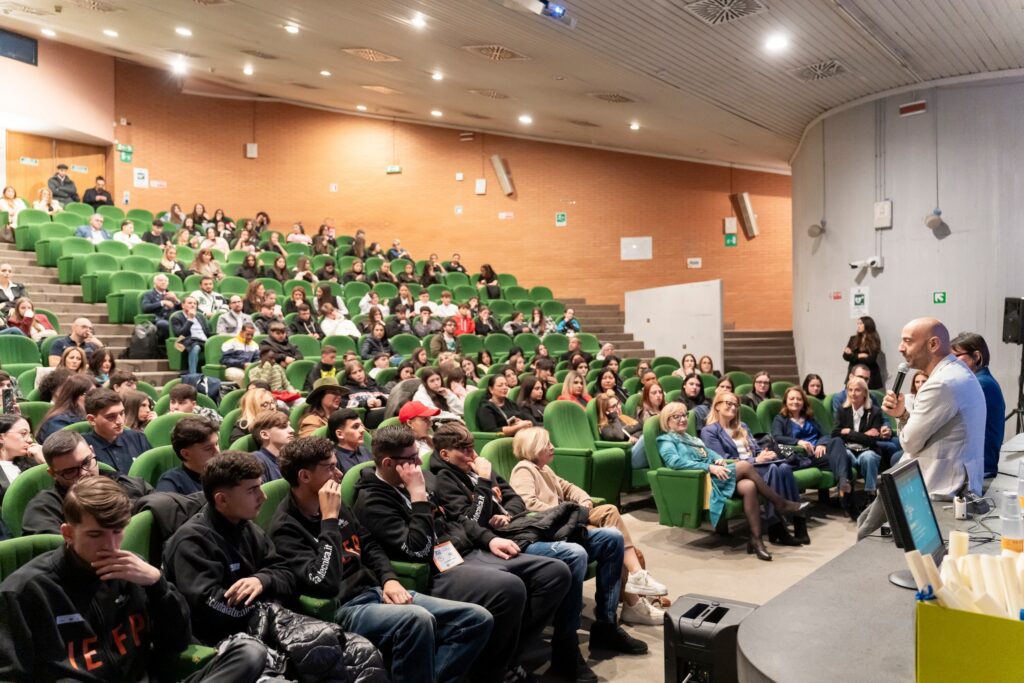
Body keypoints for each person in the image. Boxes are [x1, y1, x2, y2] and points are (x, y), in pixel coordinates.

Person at [352, 424, 571, 683]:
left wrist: (489, 539)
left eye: (417, 456)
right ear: (389, 463)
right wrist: (418, 496)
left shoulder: (422, 477)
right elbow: (418, 551)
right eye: (411, 459)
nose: (418, 463)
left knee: (554, 572)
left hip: (464, 550)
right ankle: (492, 672)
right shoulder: (372, 500)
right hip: (436, 570)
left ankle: (507, 659)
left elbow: (456, 518)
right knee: (510, 587)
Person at [0, 476, 273, 682]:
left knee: (249, 653)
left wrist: (157, 584)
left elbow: (178, 642)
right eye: (95, 535)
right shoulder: (25, 590)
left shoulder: (135, 572)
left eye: (117, 531)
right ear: (68, 534)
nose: (110, 546)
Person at [430, 423, 646, 681]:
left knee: (611, 538)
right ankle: (565, 647)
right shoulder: (445, 478)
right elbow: (472, 520)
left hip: (521, 526)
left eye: (472, 447)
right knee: (574, 554)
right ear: (445, 455)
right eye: (464, 450)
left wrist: (507, 515)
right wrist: (485, 483)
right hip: (500, 540)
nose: (472, 455)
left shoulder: (479, 468)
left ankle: (606, 626)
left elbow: (516, 500)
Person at [269, 436, 493, 683]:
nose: (339, 474)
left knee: (475, 619)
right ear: (304, 476)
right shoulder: (286, 527)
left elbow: (369, 544)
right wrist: (329, 521)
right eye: (330, 468)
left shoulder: (336, 504)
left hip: (375, 591)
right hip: (344, 606)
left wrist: (389, 579)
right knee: (417, 620)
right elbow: (324, 583)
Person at [162, 452, 385, 678]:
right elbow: (212, 610)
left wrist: (262, 580)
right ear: (222, 500)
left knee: (362, 655)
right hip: (228, 646)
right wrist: (262, 601)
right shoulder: (191, 543)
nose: (263, 496)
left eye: (260, 487)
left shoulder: (247, 528)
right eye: (252, 490)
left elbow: (286, 574)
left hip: (269, 628)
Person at [510, 427, 668, 625]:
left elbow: (569, 487)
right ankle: (634, 600)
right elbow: (529, 504)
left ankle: (637, 579)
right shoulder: (524, 469)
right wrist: (567, 511)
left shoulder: (545, 469)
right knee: (613, 539)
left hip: (567, 519)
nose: (552, 447)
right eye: (546, 444)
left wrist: (584, 500)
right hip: (554, 527)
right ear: (533, 448)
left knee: (610, 511)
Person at [657, 402, 806, 561]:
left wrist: (718, 460)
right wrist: (709, 467)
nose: (682, 419)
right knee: (745, 466)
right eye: (676, 416)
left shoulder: (691, 439)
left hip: (717, 476)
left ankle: (756, 540)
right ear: (667, 421)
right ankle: (780, 503)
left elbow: (711, 453)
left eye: (684, 415)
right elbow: (675, 462)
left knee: (749, 486)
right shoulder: (666, 441)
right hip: (703, 482)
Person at [702, 391, 806, 546]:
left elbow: (756, 449)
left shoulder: (742, 426)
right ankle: (777, 526)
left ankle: (799, 526)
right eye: (728, 403)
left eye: (736, 405)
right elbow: (722, 459)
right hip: (736, 472)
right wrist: (755, 460)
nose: (733, 407)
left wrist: (765, 454)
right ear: (717, 406)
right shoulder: (709, 431)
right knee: (774, 469)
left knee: (784, 467)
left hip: (757, 466)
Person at [22, 429, 152, 536]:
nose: (84, 474)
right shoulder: (45, 508)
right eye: (70, 471)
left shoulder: (129, 484)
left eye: (86, 462)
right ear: (53, 474)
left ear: (92, 451)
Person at [770, 386, 847, 536]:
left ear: (803, 402)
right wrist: (798, 442)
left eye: (799, 399)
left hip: (815, 455)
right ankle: (845, 496)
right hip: (798, 457)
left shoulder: (809, 418)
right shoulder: (780, 419)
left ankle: (843, 483)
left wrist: (821, 444)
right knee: (840, 459)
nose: (795, 401)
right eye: (792, 398)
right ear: (786, 401)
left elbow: (825, 434)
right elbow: (777, 437)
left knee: (837, 442)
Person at [830, 376, 886, 519]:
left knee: (869, 457)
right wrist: (863, 435)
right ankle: (847, 498)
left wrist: (849, 432)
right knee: (845, 457)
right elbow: (835, 434)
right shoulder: (842, 410)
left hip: (868, 450)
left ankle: (870, 495)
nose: (853, 393)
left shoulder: (874, 411)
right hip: (848, 449)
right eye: (850, 390)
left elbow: (872, 440)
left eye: (857, 390)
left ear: (865, 393)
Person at [950, 332, 1004, 479]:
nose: (951, 363)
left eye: (956, 356)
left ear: (976, 356)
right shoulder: (983, 380)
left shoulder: (980, 384)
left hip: (979, 467)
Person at [81, 389, 153, 474]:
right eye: (111, 417)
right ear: (92, 419)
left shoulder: (138, 438)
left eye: (122, 413)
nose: (120, 421)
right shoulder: (83, 447)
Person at [156, 416, 220, 494]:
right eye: (208, 448)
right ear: (186, 454)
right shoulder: (171, 483)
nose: (217, 452)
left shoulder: (226, 472)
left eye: (217, 444)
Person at [36, 374, 95, 443]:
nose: (95, 398)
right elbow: (63, 447)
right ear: (75, 396)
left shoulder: (89, 414)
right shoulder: (57, 421)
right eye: (90, 394)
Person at [249, 410, 294, 481]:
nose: (292, 430)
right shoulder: (257, 461)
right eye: (283, 427)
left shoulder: (292, 458)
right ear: (265, 435)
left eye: (290, 426)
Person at [171, 296, 211, 376]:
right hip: (189, 341)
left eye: (195, 303)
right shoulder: (176, 317)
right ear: (183, 305)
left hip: (204, 341)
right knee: (195, 347)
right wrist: (189, 319)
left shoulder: (200, 316)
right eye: (190, 303)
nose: (193, 305)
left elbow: (208, 333)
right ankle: (193, 374)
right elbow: (180, 334)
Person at [341, 361, 388, 428]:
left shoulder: (374, 384)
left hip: (382, 410)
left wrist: (381, 401)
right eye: (354, 373)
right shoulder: (347, 389)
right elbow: (342, 402)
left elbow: (390, 396)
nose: (358, 374)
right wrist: (365, 403)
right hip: (366, 417)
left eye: (360, 371)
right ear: (349, 376)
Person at [327, 408, 373, 473]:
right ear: (340, 434)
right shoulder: (334, 460)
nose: (362, 430)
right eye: (355, 427)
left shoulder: (365, 450)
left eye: (361, 425)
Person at [843, 316, 883, 389]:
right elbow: (845, 356)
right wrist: (860, 355)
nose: (858, 326)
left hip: (869, 377)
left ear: (867, 324)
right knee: (851, 393)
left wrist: (852, 355)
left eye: (861, 323)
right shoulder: (853, 339)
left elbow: (871, 359)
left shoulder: (874, 340)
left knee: (867, 395)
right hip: (854, 372)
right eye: (857, 324)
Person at [140, 274, 181, 343]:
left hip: (173, 319)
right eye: (160, 280)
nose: (163, 282)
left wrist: (176, 299)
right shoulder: (149, 294)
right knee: (163, 324)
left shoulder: (172, 294)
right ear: (154, 283)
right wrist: (162, 303)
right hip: (158, 319)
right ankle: (173, 343)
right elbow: (145, 308)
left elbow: (182, 308)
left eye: (165, 281)